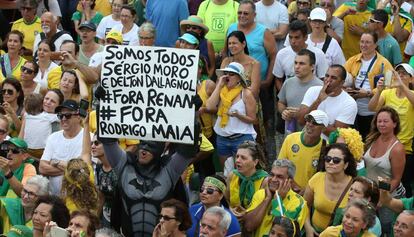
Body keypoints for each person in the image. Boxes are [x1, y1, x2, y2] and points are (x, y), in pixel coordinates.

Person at [99, 115, 200, 236]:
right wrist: (104, 104)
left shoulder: (169, 169)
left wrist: (193, 115)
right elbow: (107, 140)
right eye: (142, 144)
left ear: (160, 150)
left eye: (150, 146)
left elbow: (188, 151)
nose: (143, 150)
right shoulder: (125, 165)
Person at [368, 63, 414, 197]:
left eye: (404, 74)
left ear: (411, 79)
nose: (399, 76)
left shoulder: (411, 94)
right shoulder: (387, 93)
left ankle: (404, 211)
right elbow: (372, 108)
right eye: (397, 73)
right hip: (384, 144)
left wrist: (402, 86)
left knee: (402, 182)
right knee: (382, 178)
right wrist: (379, 91)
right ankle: (380, 199)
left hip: (405, 148)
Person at [363, 106, 406, 235]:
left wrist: (383, 199)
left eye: (385, 121)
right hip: (371, 193)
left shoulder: (397, 148)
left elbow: (396, 179)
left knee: (387, 228)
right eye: (379, 121)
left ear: (394, 124)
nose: (381, 124)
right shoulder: (372, 139)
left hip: (390, 196)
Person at [344, 32, 393, 139]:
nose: (364, 45)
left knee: (369, 141)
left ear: (375, 45)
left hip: (373, 112)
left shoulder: (384, 63)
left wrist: (368, 93)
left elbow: (389, 86)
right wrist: (347, 89)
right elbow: (341, 77)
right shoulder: (352, 60)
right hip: (353, 110)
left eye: (368, 42)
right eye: (362, 41)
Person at [206, 62, 256, 166]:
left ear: (239, 78)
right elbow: (209, 107)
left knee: (243, 172)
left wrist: (238, 115)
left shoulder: (246, 93)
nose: (227, 76)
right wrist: (219, 86)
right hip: (222, 138)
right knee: (227, 172)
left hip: (241, 138)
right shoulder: (221, 91)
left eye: (231, 74)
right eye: (226, 73)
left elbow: (253, 119)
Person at [244, 159, 309, 237]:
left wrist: (277, 200)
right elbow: (249, 226)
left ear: (289, 181)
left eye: (279, 177)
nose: (274, 179)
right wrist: (267, 199)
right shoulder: (260, 194)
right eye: (272, 175)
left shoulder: (299, 203)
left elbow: (284, 230)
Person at [304, 143, 357, 236]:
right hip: (315, 233)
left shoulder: (354, 186)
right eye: (328, 159)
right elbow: (305, 206)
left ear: (345, 165)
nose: (331, 162)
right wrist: (308, 228)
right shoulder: (317, 178)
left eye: (336, 160)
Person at [297, 65, 358, 138]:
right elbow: (301, 121)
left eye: (333, 78)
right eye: (327, 76)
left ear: (342, 83)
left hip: (327, 146)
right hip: (306, 142)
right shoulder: (312, 90)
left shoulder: (349, 103)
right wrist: (318, 100)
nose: (328, 80)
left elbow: (336, 135)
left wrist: (312, 120)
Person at [39, 99, 84, 195]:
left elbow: (82, 172)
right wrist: (71, 169)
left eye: (67, 115)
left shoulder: (89, 137)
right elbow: (42, 168)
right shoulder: (53, 137)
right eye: (60, 116)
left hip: (78, 199)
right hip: (54, 199)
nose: (63, 119)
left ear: (79, 117)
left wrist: (56, 162)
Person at [278, 110, 328, 193]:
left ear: (323, 129)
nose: (310, 124)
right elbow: (280, 166)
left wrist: (306, 191)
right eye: (308, 120)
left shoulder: (326, 147)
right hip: (287, 190)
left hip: (309, 194)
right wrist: (294, 186)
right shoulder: (290, 139)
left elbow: (323, 177)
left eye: (315, 123)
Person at [277, 50, 324, 134]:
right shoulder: (288, 82)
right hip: (290, 132)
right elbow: (281, 102)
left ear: (312, 67)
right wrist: (284, 111)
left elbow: (323, 112)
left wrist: (301, 113)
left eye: (302, 63)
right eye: (295, 63)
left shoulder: (320, 87)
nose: (297, 67)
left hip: (311, 134)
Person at [273, 20, 328, 90]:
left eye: (297, 37)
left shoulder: (318, 54)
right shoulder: (281, 54)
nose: (293, 41)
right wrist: (284, 96)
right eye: (290, 37)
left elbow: (323, 79)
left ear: (305, 37)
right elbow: (278, 79)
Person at [225, 141, 267, 219]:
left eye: (243, 158)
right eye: (237, 156)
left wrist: (247, 214)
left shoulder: (264, 181)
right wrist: (231, 209)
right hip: (234, 218)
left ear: (255, 162)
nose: (237, 160)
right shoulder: (232, 175)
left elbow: (263, 209)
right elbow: (226, 199)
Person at [222, 30, 261, 97]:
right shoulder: (226, 61)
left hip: (247, 101)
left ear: (243, 44)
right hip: (226, 99)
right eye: (229, 43)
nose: (231, 46)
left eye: (234, 43)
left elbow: (254, 91)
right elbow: (219, 83)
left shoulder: (254, 64)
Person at [19, 93, 58, 159]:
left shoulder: (26, 115)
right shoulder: (46, 116)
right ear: (41, 106)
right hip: (42, 149)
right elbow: (59, 117)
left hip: (27, 148)